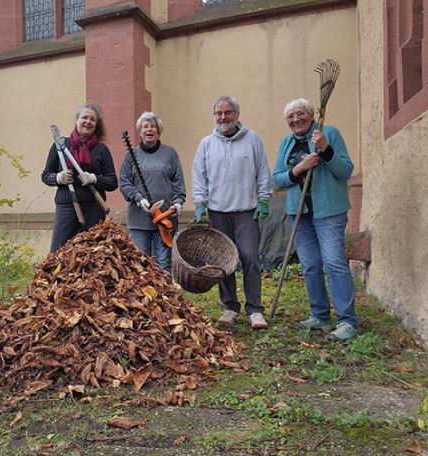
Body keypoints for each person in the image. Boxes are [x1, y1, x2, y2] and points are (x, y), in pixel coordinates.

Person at [272, 98, 358, 341]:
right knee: (310, 264)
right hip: (299, 212)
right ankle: (320, 316)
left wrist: (326, 149)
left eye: (300, 114)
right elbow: (278, 179)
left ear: (311, 115)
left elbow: (346, 171)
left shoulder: (328, 133)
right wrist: (299, 168)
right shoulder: (286, 143)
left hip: (328, 210)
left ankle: (347, 321)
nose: (295, 120)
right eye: (290, 117)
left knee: (334, 263)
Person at [191, 96, 272, 330]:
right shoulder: (206, 143)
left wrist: (263, 199)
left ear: (237, 114)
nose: (223, 117)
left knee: (249, 257)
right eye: (218, 113)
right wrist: (200, 203)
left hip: (246, 210)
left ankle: (255, 310)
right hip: (217, 212)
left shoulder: (252, 139)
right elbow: (199, 176)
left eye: (228, 112)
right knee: (223, 263)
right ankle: (230, 307)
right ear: (214, 116)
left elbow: (263, 171)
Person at [41, 103, 118, 253]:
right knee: (59, 251)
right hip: (66, 206)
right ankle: (55, 276)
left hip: (94, 208)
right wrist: (58, 178)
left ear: (96, 125)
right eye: (84, 117)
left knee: (93, 253)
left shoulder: (102, 149)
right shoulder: (61, 145)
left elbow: (112, 181)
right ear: (77, 120)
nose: (88, 122)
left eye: (92, 119)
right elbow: (45, 175)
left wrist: (95, 179)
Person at [119, 112, 186, 272]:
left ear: (159, 130)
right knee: (141, 264)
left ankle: (165, 297)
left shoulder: (170, 153)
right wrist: (138, 198)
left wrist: (178, 201)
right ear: (140, 131)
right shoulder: (131, 155)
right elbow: (124, 182)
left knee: (163, 264)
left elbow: (178, 181)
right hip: (139, 220)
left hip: (165, 220)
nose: (149, 129)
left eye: (153, 126)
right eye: (145, 126)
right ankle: (144, 297)